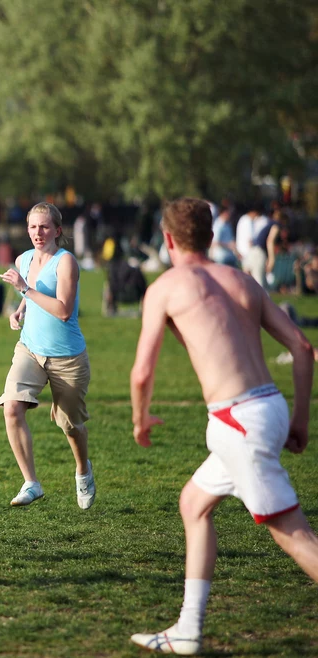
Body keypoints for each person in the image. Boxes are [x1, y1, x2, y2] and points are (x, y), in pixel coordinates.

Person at [128, 198, 318, 655]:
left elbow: (141, 373)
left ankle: (189, 630)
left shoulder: (167, 287)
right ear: (212, 238)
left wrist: (140, 420)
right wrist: (299, 420)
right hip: (267, 408)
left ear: (168, 239)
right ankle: (188, 630)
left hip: (237, 421)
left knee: (293, 535)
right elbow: (302, 347)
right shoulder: (242, 279)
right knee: (194, 503)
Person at [0, 202, 95, 510]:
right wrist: (20, 310)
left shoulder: (66, 263)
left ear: (57, 230)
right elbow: (35, 297)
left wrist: (24, 291)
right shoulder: (23, 259)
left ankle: (83, 470)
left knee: (70, 425)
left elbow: (64, 310)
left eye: (44, 227)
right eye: (32, 227)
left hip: (67, 357)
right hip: (30, 349)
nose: (37, 233)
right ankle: (31, 483)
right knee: (11, 407)